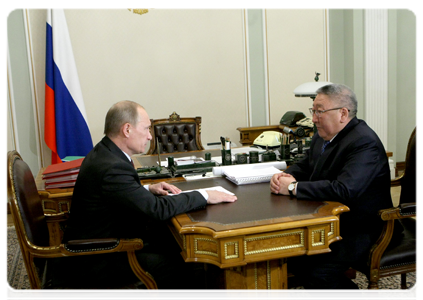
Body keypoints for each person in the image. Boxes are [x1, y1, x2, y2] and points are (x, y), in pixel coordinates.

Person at [56, 100, 237, 299]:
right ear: (127, 129)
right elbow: (157, 210)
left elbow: (115, 193)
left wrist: (146, 188)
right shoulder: (112, 167)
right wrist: (205, 195)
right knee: (176, 262)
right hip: (97, 258)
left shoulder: (106, 152)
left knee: (173, 244)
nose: (150, 136)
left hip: (102, 243)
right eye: (146, 129)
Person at [270, 84, 393, 300]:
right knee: (293, 256)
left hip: (362, 226)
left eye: (319, 111)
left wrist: (292, 188)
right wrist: (286, 175)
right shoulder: (323, 135)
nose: (314, 118)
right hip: (330, 218)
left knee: (318, 273)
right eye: (313, 111)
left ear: (343, 113)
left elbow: (345, 189)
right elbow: (307, 164)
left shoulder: (364, 142)